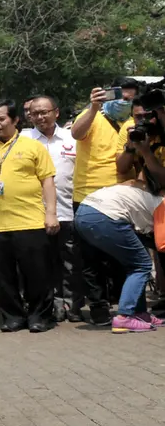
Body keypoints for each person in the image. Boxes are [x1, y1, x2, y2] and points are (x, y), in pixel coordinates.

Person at [0, 100, 58, 333]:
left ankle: (40, 317)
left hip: (30, 221)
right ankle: (13, 316)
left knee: (37, 273)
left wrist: (51, 214)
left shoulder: (32, 147)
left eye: (1, 119)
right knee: (0, 276)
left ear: (15, 120)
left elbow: (47, 181)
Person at [71, 86, 131, 325]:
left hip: (122, 197)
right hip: (88, 198)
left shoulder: (133, 122)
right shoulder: (92, 116)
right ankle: (98, 306)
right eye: (119, 96)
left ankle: (122, 304)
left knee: (122, 255)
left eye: (129, 97)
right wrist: (94, 107)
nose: (123, 101)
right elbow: (76, 133)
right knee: (90, 258)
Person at [74, 177, 165, 333]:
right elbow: (162, 245)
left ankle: (139, 314)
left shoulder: (147, 195)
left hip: (84, 212)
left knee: (134, 264)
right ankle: (124, 317)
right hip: (104, 215)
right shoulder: (162, 204)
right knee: (141, 265)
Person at [25, 95, 80, 322]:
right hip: (34, 214)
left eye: (44, 112)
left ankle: (73, 305)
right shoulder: (24, 139)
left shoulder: (73, 137)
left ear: (56, 113)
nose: (39, 117)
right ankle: (53, 307)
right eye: (35, 113)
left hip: (68, 210)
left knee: (71, 263)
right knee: (43, 264)